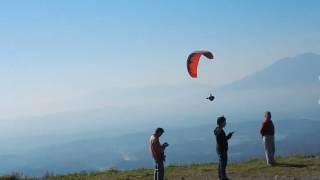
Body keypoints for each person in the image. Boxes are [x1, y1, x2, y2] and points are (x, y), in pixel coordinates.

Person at [214, 116, 234, 180]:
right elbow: (221, 141)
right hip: (222, 149)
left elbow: (222, 140)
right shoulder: (219, 130)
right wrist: (228, 136)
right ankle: (223, 177)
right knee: (223, 163)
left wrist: (228, 136)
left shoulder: (218, 129)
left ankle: (221, 176)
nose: (225, 123)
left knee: (221, 163)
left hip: (220, 149)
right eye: (224, 122)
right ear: (221, 123)